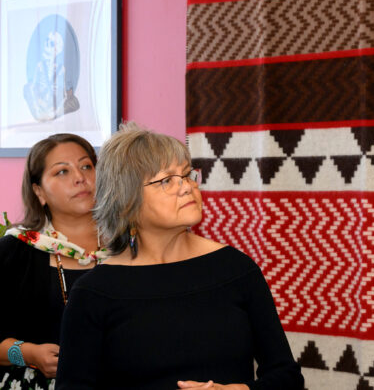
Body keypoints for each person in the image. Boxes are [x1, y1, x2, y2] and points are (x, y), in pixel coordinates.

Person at [55, 123, 303, 390]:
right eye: (166, 181)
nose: (186, 187)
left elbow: (287, 377)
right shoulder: (93, 294)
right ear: (126, 201)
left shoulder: (236, 269)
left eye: (186, 175)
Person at [0, 134, 105, 390]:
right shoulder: (17, 249)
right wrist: (29, 354)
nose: (80, 178)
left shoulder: (132, 243)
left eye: (86, 166)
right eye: (62, 172)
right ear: (39, 191)